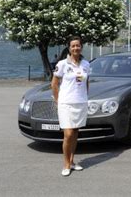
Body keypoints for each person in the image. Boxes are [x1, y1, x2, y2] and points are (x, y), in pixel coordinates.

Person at [51, 36, 90, 177]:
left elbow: (86, 82)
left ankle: (72, 161)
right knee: (68, 134)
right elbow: (54, 84)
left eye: (78, 45)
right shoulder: (62, 64)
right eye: (73, 46)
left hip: (80, 102)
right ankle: (66, 164)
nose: (75, 48)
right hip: (66, 103)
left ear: (81, 47)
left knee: (75, 133)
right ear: (69, 48)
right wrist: (58, 101)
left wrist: (85, 97)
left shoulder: (86, 64)